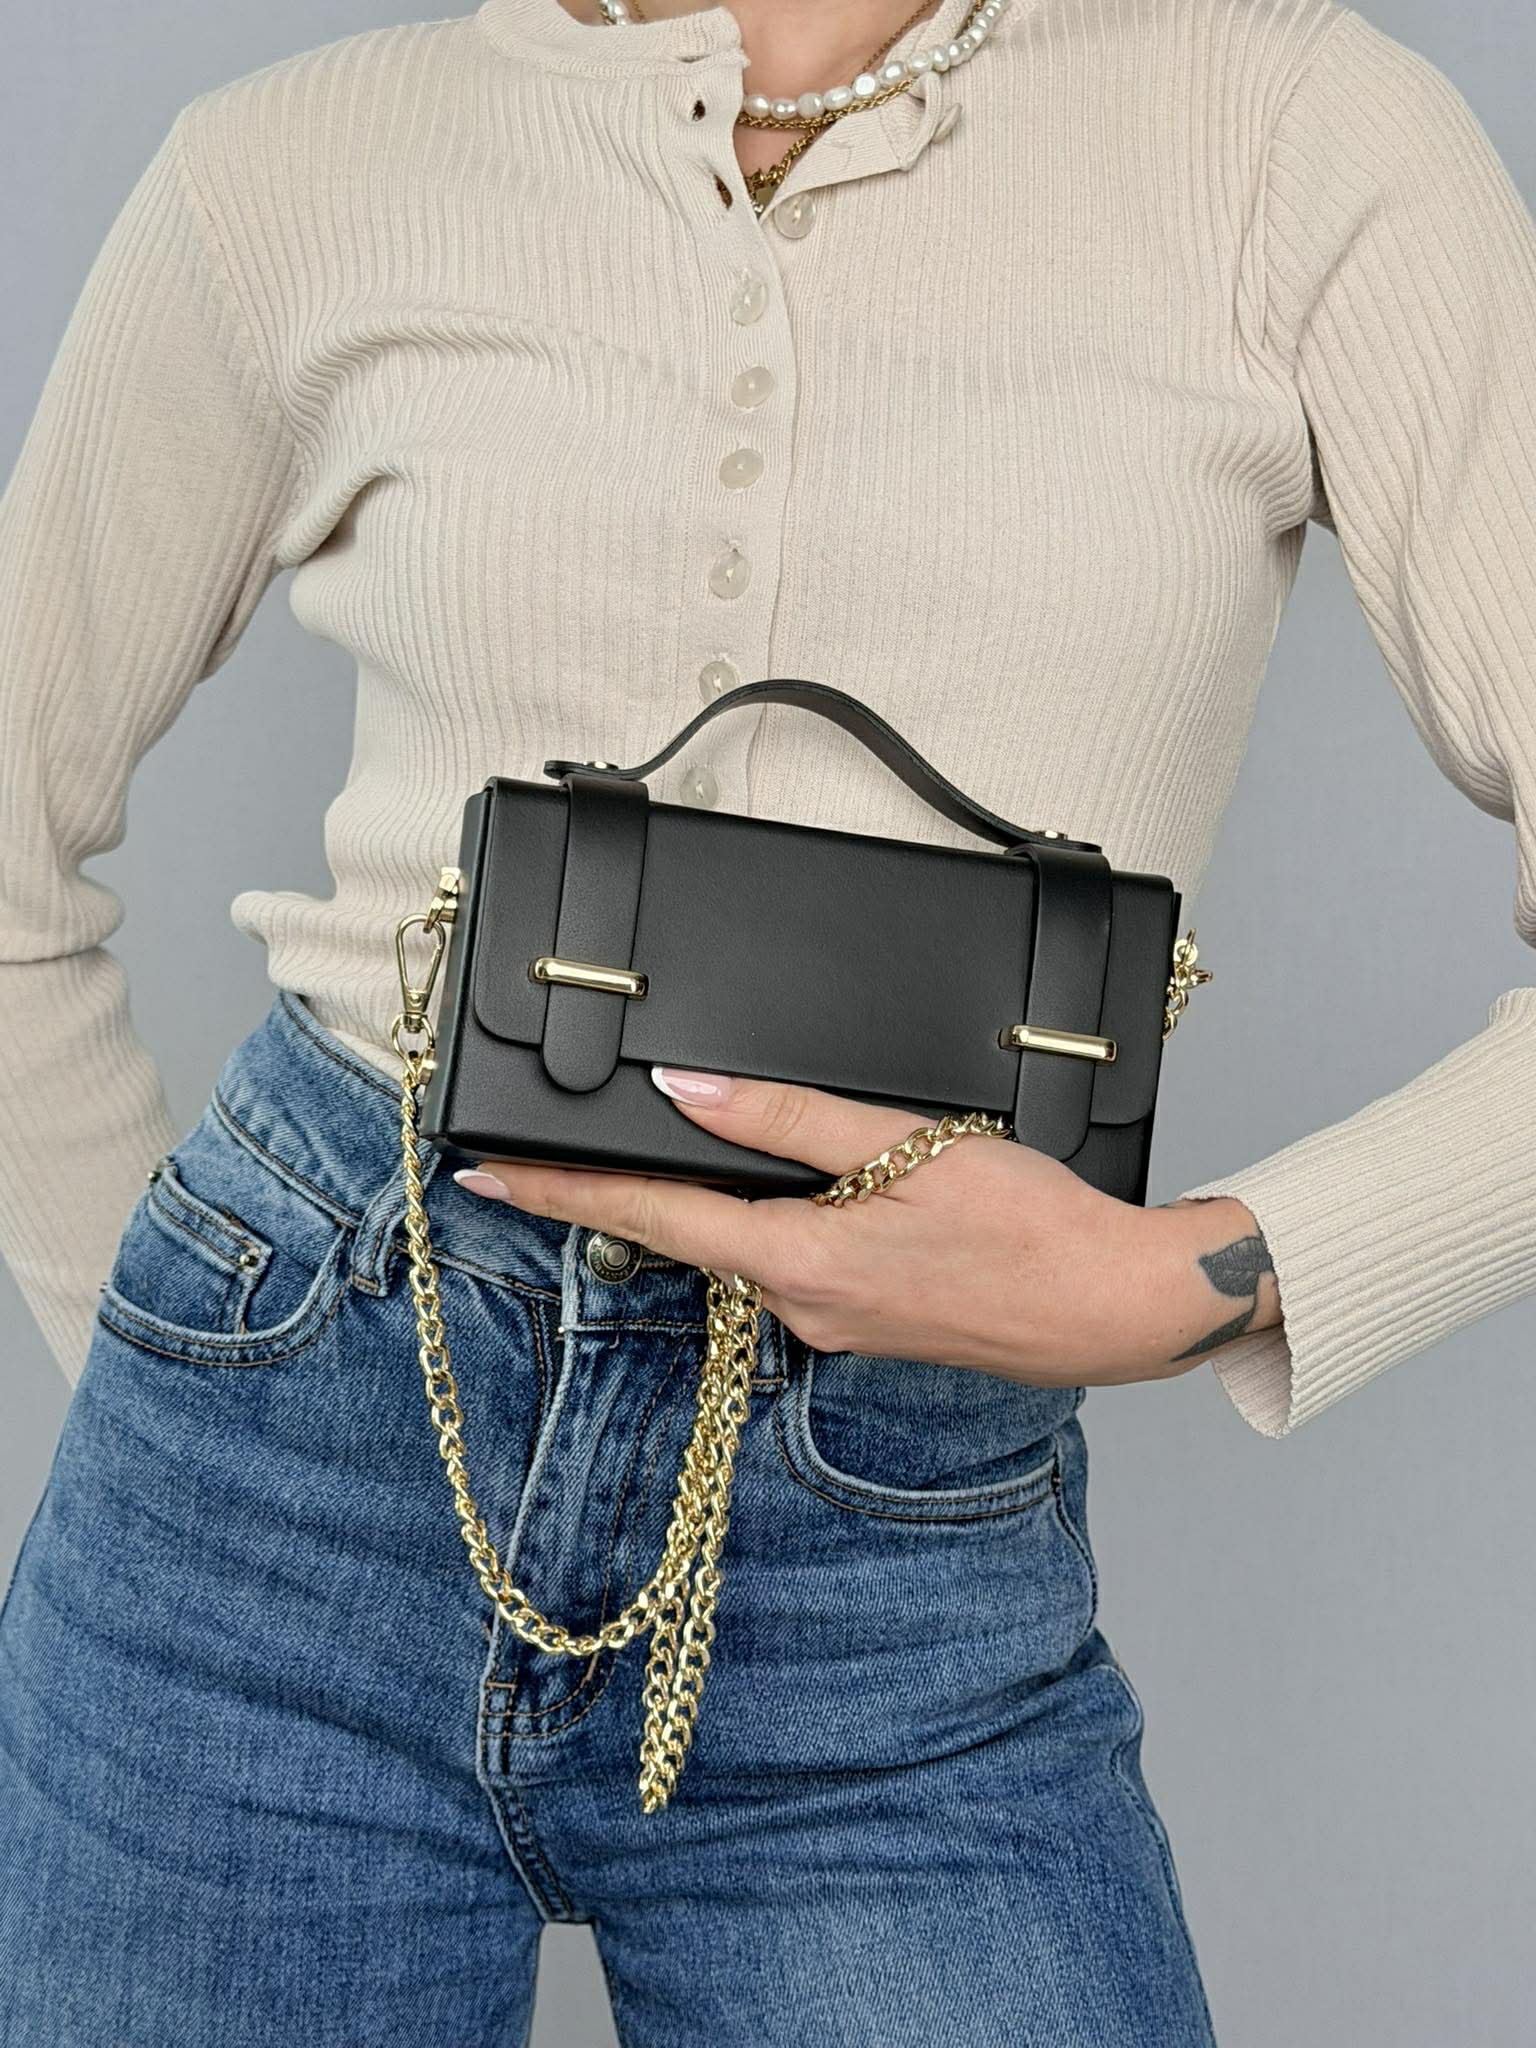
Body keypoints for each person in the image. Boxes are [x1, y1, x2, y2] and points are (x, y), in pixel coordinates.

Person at [1, 0, 1533, 2039]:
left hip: (897, 1534)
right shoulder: (298, 163)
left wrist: (1195, 1282)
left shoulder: (1295, 137)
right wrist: (192, 1374)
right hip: (280, 1464)